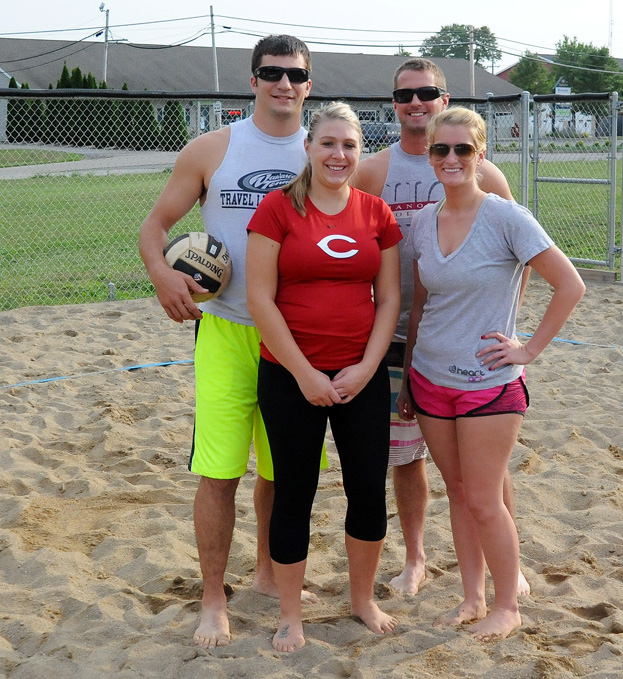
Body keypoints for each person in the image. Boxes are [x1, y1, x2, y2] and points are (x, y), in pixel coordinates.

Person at [137, 35, 320, 649]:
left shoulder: (325, 151)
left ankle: (269, 574)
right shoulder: (212, 148)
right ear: (253, 81)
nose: (283, 85)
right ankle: (213, 599)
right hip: (225, 331)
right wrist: (164, 275)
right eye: (271, 73)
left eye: (294, 75)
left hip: (294, 337)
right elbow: (155, 227)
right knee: (218, 472)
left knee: (282, 470)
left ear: (309, 85)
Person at [398, 107, 585, 641]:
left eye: (462, 149)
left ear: (480, 155)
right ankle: (473, 598)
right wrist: (410, 375)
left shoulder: (506, 216)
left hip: (486, 383)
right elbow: (422, 305)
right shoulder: (423, 220)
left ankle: (508, 605)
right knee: (458, 494)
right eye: (440, 150)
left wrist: (527, 350)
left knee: (483, 498)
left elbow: (569, 285)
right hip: (432, 377)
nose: (451, 159)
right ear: (429, 155)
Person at [353, 57, 531, 597]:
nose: (416, 102)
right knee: (405, 456)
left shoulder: (486, 174)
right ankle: (416, 557)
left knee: (488, 467)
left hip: (471, 340)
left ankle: (510, 567)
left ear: (444, 97)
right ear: (393, 103)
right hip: (399, 334)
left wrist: (507, 328)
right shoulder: (375, 171)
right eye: (405, 94)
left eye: (427, 92)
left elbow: (518, 259)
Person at [246, 102, 402, 652]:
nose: (339, 155)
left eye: (349, 146)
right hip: (291, 375)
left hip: (360, 376)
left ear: (359, 152)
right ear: (309, 149)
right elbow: (259, 298)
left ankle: (362, 599)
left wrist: (365, 367)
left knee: (366, 492)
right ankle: (291, 613)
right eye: (328, 144)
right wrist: (304, 372)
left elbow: (389, 300)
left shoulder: (376, 213)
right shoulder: (277, 209)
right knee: (295, 491)